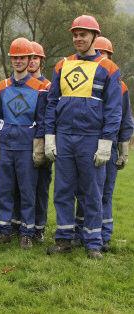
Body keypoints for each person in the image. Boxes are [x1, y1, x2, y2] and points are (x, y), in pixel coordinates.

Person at [44, 15, 122, 259]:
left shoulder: (109, 68)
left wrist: (106, 142)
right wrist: (49, 136)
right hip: (65, 136)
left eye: (83, 34)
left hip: (92, 138)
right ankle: (64, 239)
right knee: (63, 190)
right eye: (75, 34)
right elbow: (51, 102)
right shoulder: (61, 65)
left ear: (94, 37)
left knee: (92, 192)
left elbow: (113, 109)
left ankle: (93, 243)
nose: (78, 38)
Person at [74, 36, 133, 252]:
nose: (102, 56)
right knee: (84, 191)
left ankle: (104, 235)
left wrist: (123, 149)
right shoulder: (83, 82)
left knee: (104, 193)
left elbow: (125, 119)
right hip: (88, 143)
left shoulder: (120, 85)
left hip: (109, 144)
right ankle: (81, 231)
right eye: (99, 52)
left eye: (105, 53)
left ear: (110, 56)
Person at [0, 37, 47, 249]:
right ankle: (3, 230)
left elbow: (42, 121)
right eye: (15, 57)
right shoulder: (0, 87)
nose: (19, 61)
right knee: (4, 190)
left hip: (26, 147)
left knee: (27, 191)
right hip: (5, 146)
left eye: (23, 57)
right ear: (11, 59)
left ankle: (26, 233)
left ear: (30, 59)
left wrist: (39, 148)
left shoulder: (40, 88)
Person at [11, 41, 52, 243]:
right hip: (18, 145)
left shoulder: (47, 86)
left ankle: (38, 227)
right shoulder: (17, 84)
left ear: (40, 61)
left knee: (40, 188)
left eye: (36, 57)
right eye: (31, 57)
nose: (32, 61)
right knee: (18, 188)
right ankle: (17, 224)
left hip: (39, 144)